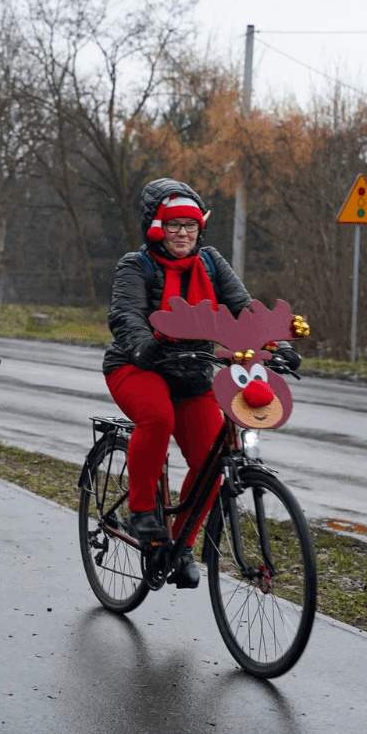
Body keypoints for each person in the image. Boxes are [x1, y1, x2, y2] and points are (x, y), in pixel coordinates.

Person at [102, 179, 256, 589]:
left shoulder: (209, 263)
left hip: (192, 374)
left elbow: (242, 308)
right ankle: (142, 516)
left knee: (211, 459)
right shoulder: (136, 265)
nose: (183, 233)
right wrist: (142, 343)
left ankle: (180, 543)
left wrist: (272, 342)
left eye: (190, 225)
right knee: (157, 418)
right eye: (173, 226)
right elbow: (125, 315)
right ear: (156, 228)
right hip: (138, 366)